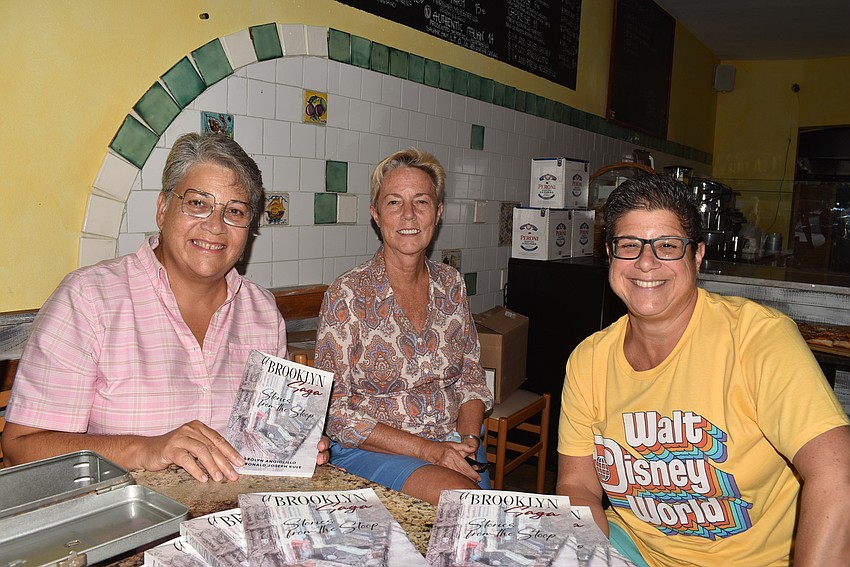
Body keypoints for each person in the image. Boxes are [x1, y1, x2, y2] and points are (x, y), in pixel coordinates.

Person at [556, 174, 850, 566]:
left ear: (696, 255)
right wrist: (584, 556)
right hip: (633, 550)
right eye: (629, 245)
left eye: (667, 245)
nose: (646, 262)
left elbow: (838, 477)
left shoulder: (757, 339)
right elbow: (578, 486)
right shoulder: (588, 360)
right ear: (610, 255)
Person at [3, 132, 329, 480]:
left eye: (234, 211)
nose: (216, 226)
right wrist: (147, 449)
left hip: (229, 516)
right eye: (198, 204)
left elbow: (260, 437)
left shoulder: (260, 310)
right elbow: (22, 446)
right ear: (163, 209)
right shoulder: (88, 299)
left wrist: (290, 446)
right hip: (123, 517)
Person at [314, 148, 493, 505]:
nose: (408, 214)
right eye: (394, 202)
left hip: (454, 442)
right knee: (466, 503)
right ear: (376, 215)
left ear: (438, 213)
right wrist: (431, 451)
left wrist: (468, 441)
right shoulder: (349, 294)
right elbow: (334, 409)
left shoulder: (451, 284)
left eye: (421, 202)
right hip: (377, 450)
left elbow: (471, 375)